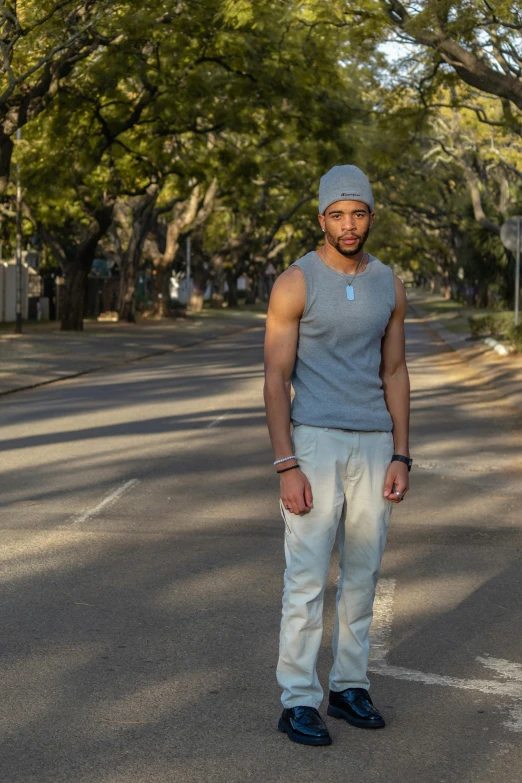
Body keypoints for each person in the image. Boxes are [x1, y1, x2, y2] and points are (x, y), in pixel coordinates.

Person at [263, 165, 411, 746]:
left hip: (375, 443)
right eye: (337, 214)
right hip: (315, 442)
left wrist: (402, 452)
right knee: (305, 578)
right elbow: (275, 378)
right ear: (321, 218)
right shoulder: (295, 282)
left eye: (359, 213)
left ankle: (349, 687)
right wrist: (286, 464)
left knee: (362, 574)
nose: (349, 225)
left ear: (372, 215)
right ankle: (297, 698)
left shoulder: (389, 283)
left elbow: (395, 370)